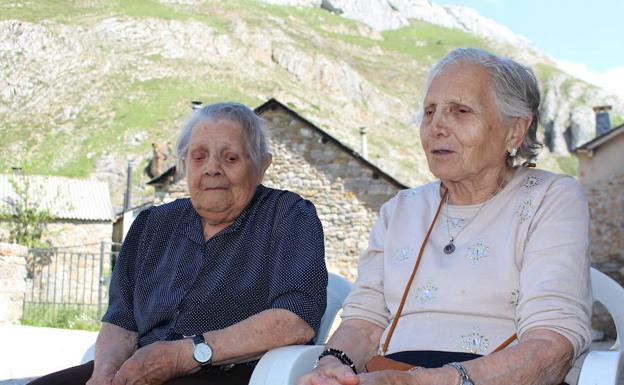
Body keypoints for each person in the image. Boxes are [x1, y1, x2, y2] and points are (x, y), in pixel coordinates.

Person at [298, 48, 591, 385]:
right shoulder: (401, 209)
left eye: (460, 111)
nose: (436, 127)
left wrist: (430, 381)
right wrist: (332, 366)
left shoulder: (551, 197)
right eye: (429, 112)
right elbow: (364, 322)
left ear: (515, 131)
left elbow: (551, 344)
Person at [31, 102, 328, 385]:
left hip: (227, 373)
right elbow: (121, 320)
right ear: (184, 164)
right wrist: (104, 374)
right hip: (135, 371)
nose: (212, 168)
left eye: (231, 157)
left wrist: (185, 354)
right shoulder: (152, 225)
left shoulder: (287, 216)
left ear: (262, 165)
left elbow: (296, 318)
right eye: (199, 156)